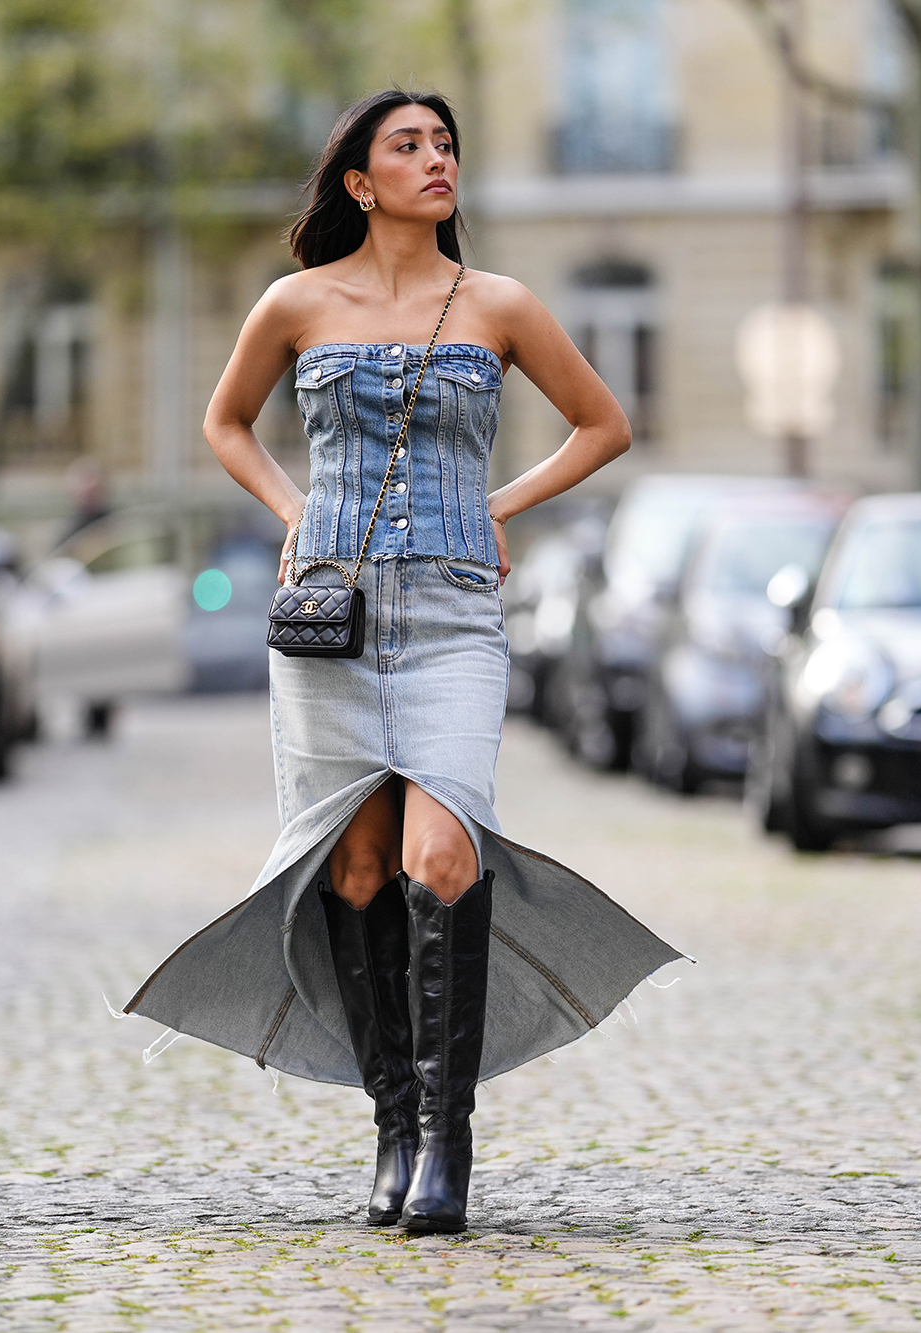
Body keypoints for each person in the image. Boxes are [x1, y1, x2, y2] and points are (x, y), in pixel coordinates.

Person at [124, 90, 680, 1235]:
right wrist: (290, 510)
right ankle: (390, 1121)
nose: (437, 159)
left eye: (445, 144)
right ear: (359, 184)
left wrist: (494, 506)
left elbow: (601, 425)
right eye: (408, 147)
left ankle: (446, 1141)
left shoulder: (499, 305)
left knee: (440, 852)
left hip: (451, 616)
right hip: (328, 615)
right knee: (358, 870)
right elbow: (226, 423)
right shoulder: (294, 303)